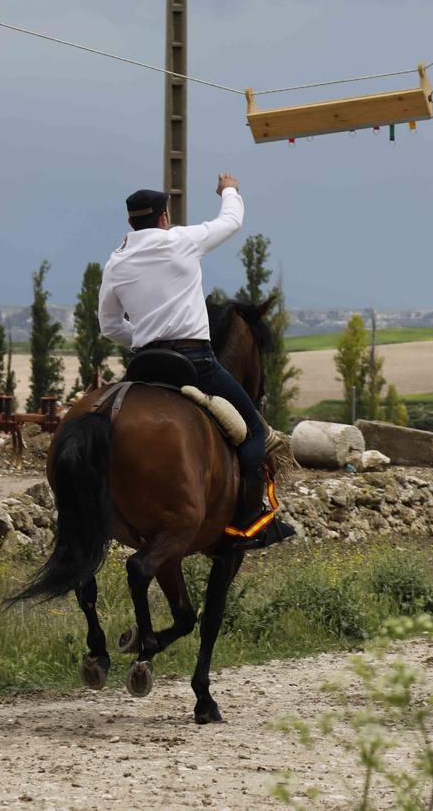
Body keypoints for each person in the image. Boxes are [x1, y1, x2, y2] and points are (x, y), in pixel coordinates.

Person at [98, 175, 294, 549]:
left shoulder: (116, 263)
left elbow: (109, 326)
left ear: (130, 223)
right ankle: (251, 521)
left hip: (144, 364)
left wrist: (140, 336)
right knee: (254, 430)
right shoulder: (181, 241)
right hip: (195, 361)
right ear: (164, 217)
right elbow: (231, 221)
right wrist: (229, 190)